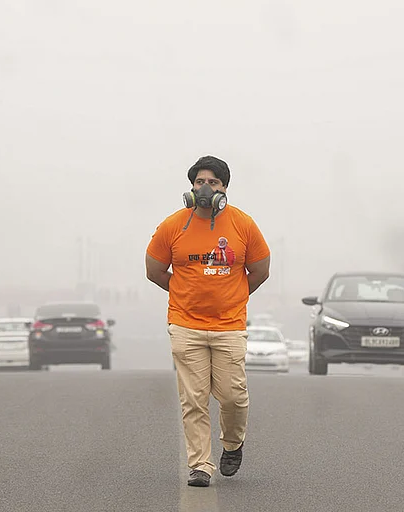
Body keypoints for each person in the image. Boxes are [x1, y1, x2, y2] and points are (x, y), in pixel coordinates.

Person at [145, 155, 271, 487]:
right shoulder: (173, 225)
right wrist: (185, 292)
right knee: (194, 399)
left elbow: (260, 270)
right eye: (200, 182)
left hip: (229, 325)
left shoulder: (243, 224)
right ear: (191, 188)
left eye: (213, 182)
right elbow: (154, 270)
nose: (205, 188)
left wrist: (235, 295)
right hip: (186, 325)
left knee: (233, 396)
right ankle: (200, 465)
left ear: (224, 188)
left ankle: (232, 443)